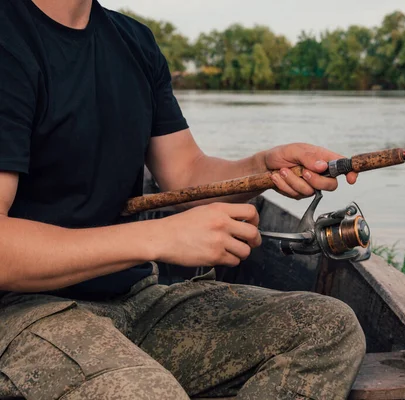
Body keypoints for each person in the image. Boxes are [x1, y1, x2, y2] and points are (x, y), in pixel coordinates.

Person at [0, 0, 367, 399]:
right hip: (20, 313)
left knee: (326, 328)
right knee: (146, 391)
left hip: (134, 301)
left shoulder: (133, 41)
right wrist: (159, 237)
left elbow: (187, 171)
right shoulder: (8, 37)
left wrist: (264, 167)